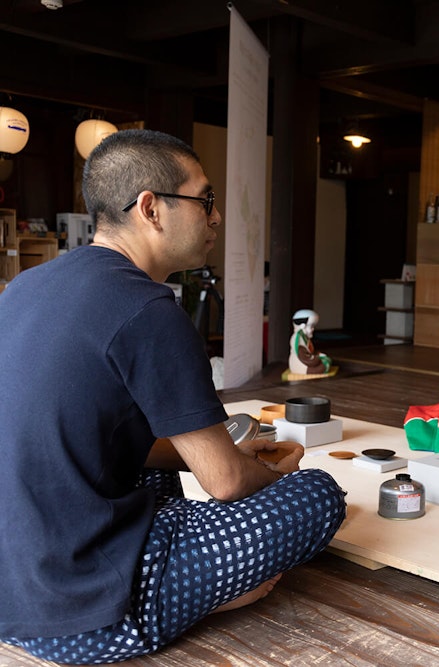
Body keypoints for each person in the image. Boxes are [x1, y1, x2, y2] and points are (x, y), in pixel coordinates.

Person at [0, 129, 346, 664]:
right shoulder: (149, 309)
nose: (215, 216)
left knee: (159, 453)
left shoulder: (26, 286)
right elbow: (226, 482)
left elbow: (91, 436)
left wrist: (223, 454)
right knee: (318, 495)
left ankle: (189, 571)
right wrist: (273, 474)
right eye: (205, 199)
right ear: (150, 208)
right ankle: (197, 598)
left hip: (13, 585)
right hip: (80, 615)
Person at [289, 308, 333, 375]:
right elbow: (303, 356)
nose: (313, 329)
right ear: (303, 326)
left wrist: (318, 355)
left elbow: (309, 351)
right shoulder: (298, 338)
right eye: (311, 326)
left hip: (306, 362)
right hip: (301, 365)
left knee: (326, 360)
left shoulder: (305, 337)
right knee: (325, 364)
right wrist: (317, 358)